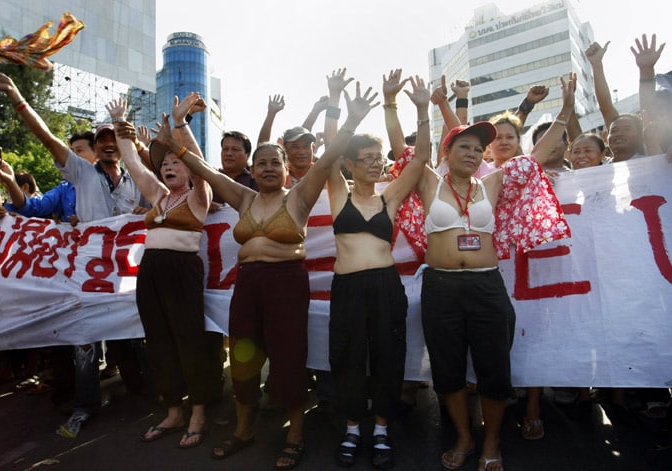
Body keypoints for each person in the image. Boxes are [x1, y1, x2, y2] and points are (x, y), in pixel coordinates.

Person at [164, 81, 377, 470]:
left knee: (288, 357)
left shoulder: (300, 195)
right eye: (260, 162)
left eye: (273, 162)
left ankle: (295, 433)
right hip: (248, 286)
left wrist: (353, 119)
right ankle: (244, 429)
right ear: (253, 169)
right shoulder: (242, 197)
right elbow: (203, 169)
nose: (266, 168)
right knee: (243, 360)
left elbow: (328, 156)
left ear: (285, 169)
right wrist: (178, 135)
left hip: (286, 284)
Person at [415, 74, 576, 471]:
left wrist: (567, 109)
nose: (473, 153)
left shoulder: (492, 184)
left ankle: (491, 443)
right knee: (448, 370)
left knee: (494, 371)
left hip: (487, 287)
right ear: (446, 150)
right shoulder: (427, 181)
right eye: (464, 147)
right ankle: (464, 436)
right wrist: (423, 109)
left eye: (478, 148)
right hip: (441, 288)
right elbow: (419, 153)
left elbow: (536, 154)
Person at [0, 69, 147, 438]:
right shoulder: (82, 173)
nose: (107, 143)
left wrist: (145, 212)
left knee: (130, 336)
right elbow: (45, 136)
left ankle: (144, 394)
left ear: (123, 144)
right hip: (88, 276)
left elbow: (162, 204)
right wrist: (14, 93)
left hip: (127, 276)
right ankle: (85, 405)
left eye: (114, 138)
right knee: (84, 340)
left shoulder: (138, 180)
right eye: (102, 138)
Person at [326, 70, 430, 470]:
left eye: (378, 157)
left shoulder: (390, 198)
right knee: (347, 356)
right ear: (351, 164)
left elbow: (420, 158)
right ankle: (353, 427)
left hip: (386, 286)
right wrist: (339, 105)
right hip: (348, 287)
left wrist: (420, 108)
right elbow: (330, 154)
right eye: (365, 158)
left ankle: (382, 428)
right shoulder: (338, 193)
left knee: (389, 354)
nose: (374, 163)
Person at [106, 94, 216, 449]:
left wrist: (180, 126)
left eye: (175, 162)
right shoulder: (157, 195)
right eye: (164, 163)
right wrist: (121, 126)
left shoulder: (200, 195)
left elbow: (200, 165)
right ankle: (173, 410)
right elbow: (134, 165)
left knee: (189, 340)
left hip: (182, 271)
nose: (168, 166)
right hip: (150, 271)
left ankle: (198, 412)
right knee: (158, 341)